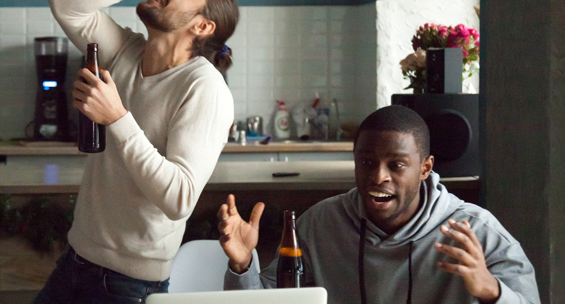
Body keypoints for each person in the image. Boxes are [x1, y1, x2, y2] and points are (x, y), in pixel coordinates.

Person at [36, 0, 237, 303]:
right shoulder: (125, 51)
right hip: (74, 262)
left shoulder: (205, 87)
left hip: (127, 285)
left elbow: (180, 199)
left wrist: (117, 118)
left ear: (203, 27)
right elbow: (63, 0)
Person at [218, 105, 540, 304]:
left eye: (396, 165)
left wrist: (491, 292)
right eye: (367, 162)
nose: (378, 177)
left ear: (425, 168)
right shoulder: (320, 224)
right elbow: (272, 301)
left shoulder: (476, 232)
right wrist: (243, 265)